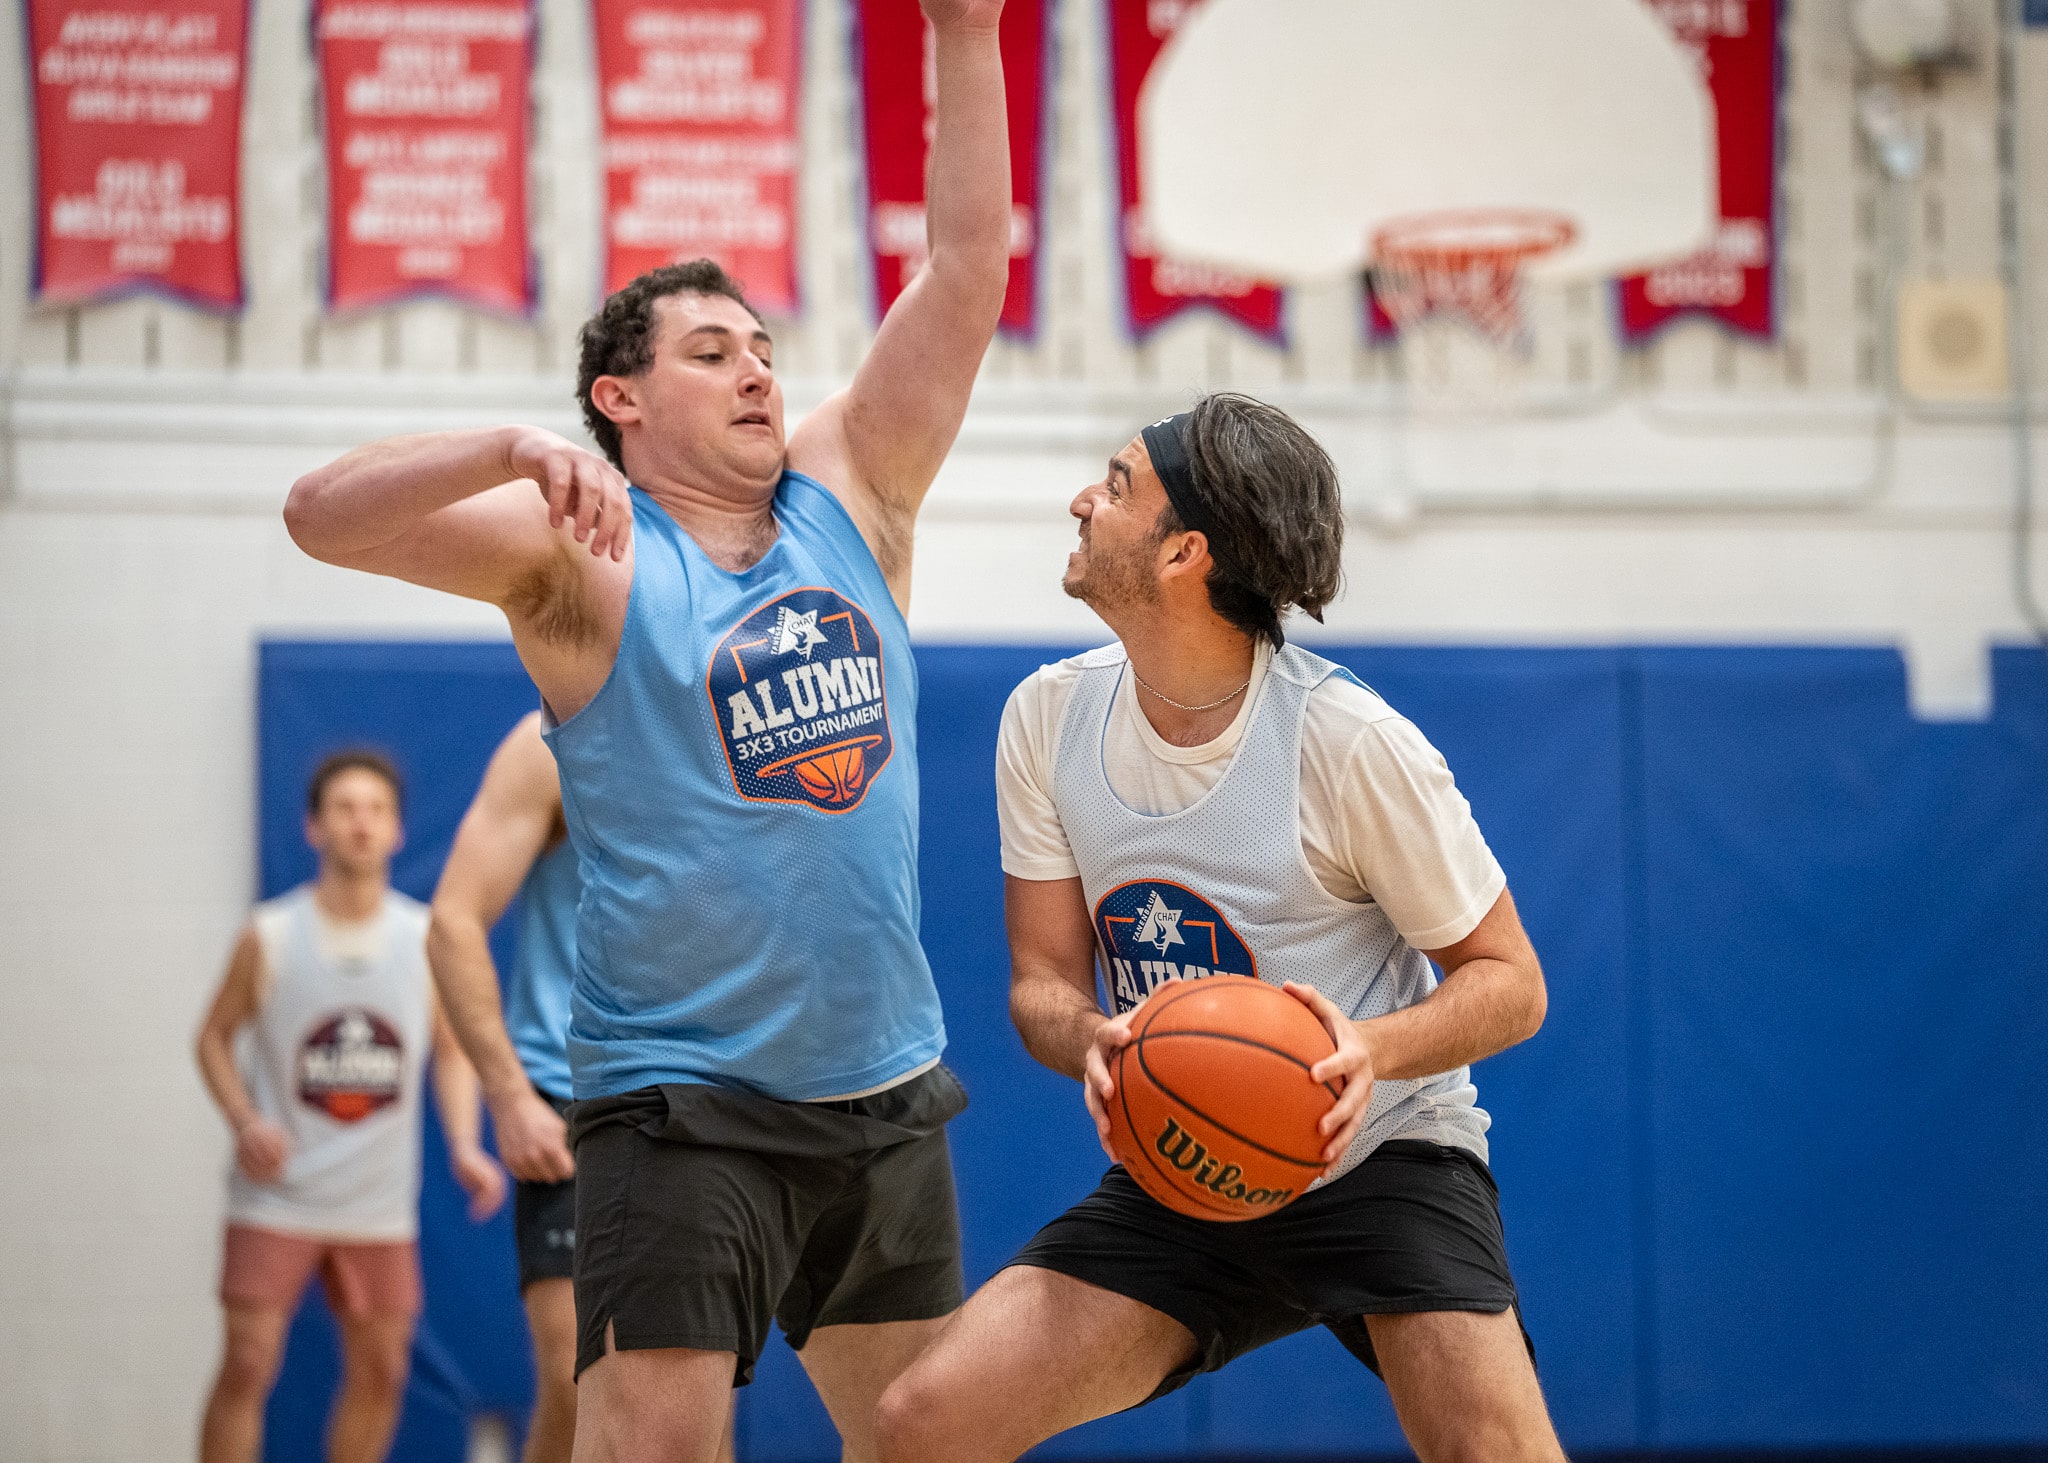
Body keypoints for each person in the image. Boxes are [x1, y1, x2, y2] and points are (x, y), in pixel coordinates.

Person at [279, 2, 1011, 1457]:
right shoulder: (585, 552)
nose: (758, 371)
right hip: (682, 1106)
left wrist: (966, 31)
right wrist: (501, 448)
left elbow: (967, 267)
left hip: (882, 1087)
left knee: (928, 1440)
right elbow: (316, 516)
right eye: (711, 351)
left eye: (763, 349)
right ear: (619, 399)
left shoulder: (855, 488)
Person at [872, 394, 1567, 1463]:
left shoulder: (1348, 742)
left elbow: (1510, 981)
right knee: (921, 1423)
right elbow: (1042, 982)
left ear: (1182, 552)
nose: (1082, 500)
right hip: (1189, 1152)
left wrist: (1364, 1048)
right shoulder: (1047, 718)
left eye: (1114, 486)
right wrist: (1094, 1040)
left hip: (1381, 1155)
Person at [427, 712, 735, 1463]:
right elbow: (455, 920)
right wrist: (509, 1096)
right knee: (575, 1378)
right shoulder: (548, 741)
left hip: (701, 1096)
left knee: (700, 1397)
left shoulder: (732, 721)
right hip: (571, 1095)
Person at [195, 750, 507, 1463]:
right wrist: (244, 1119)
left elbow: (452, 1051)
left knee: (384, 1369)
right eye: (345, 808)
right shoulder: (269, 934)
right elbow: (211, 1038)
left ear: (398, 830)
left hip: (377, 1203)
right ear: (315, 827)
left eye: (376, 809)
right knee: (247, 1362)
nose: (361, 823)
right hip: (276, 1196)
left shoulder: (424, 938)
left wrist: (465, 1143)